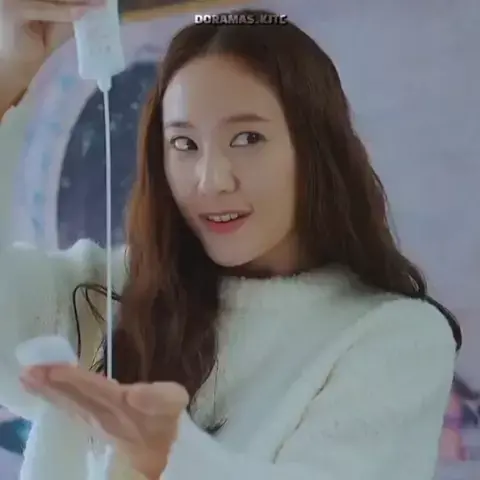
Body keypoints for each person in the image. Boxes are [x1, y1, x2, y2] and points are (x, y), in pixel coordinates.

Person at [0, 2, 463, 480]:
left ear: (314, 148)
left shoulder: (395, 336)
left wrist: (170, 458)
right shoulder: (110, 291)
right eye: (184, 144)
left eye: (247, 139)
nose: (212, 180)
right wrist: (9, 71)